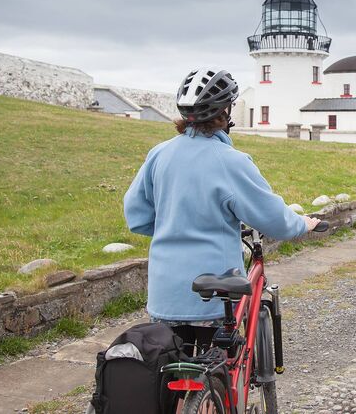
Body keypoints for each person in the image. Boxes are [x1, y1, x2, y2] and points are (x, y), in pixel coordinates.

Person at [124, 67, 319, 353]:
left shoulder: (159, 154)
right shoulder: (231, 161)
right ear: (226, 112)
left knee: (168, 372)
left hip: (165, 295)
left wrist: (176, 224)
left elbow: (137, 217)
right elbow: (276, 220)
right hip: (214, 297)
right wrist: (303, 223)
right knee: (219, 370)